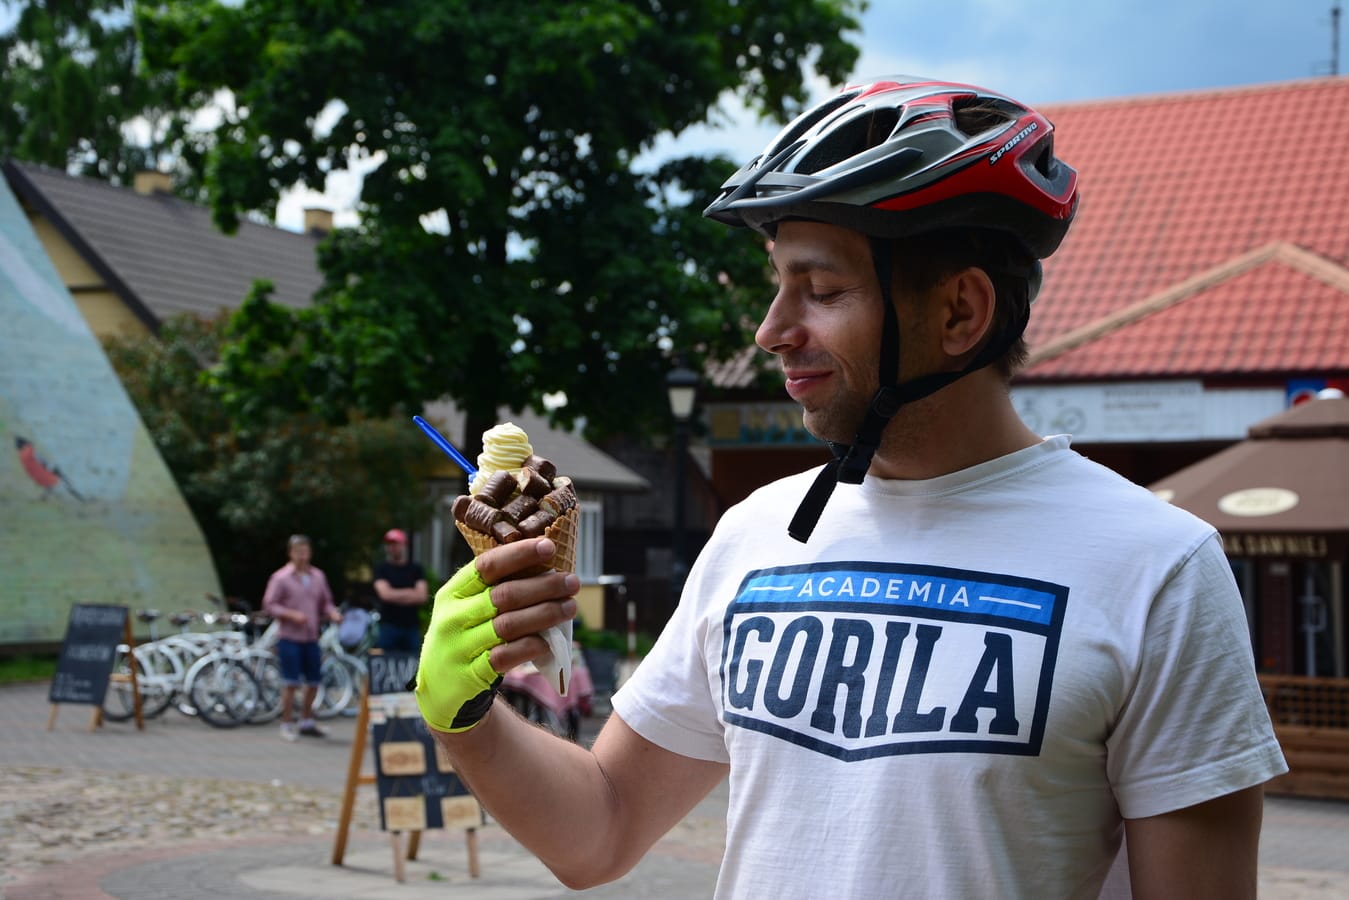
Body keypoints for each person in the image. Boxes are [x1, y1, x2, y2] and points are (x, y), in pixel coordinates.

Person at [412, 77, 1287, 897]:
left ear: (960, 312)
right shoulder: (756, 532)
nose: (770, 331)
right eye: (776, 285)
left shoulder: (1156, 568)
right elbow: (598, 830)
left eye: (820, 289)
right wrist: (464, 717)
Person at [262, 533, 342, 741]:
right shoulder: (281, 578)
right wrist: (291, 615)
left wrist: (332, 613)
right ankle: (286, 722)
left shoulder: (318, 576)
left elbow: (326, 602)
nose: (303, 556)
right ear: (291, 553)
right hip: (289, 637)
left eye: (306, 552)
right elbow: (269, 604)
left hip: (311, 637)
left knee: (314, 681)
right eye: (298, 552)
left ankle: (307, 720)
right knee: (291, 682)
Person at [372, 528, 428, 653]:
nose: (393, 547)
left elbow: (422, 596)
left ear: (404, 545)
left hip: (411, 627)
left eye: (396, 543)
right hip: (389, 626)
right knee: (385, 663)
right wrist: (410, 592)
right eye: (390, 544)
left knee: (413, 665)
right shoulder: (382, 569)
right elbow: (385, 594)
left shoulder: (415, 569)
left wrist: (394, 593)